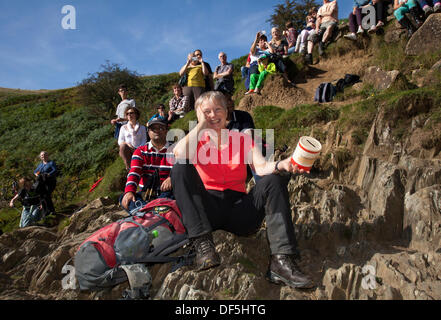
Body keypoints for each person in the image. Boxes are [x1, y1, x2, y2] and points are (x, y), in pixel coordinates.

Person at [171, 91, 314, 289]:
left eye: (217, 109)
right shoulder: (196, 140)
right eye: (206, 112)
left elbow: (262, 167)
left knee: (274, 180)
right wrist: (202, 126)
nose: (213, 115)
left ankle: (281, 261)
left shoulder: (242, 139)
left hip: (238, 210)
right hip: (207, 211)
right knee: (180, 167)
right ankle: (203, 245)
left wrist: (284, 164)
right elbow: (178, 153)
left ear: (227, 112)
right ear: (198, 115)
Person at [121, 118, 174, 213]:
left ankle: (144, 211)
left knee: (170, 196)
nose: (157, 131)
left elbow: (183, 170)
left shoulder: (176, 149)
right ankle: (154, 210)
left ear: (166, 131)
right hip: (146, 193)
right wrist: (129, 191)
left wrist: (172, 178)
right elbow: (134, 172)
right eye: (153, 129)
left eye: (161, 128)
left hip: (167, 192)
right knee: (124, 198)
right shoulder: (140, 151)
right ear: (148, 132)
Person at [34, 151, 57, 215]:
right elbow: (35, 171)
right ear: (40, 157)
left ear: (47, 155)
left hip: (50, 182)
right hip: (42, 183)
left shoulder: (51, 163)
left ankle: (52, 211)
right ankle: (46, 212)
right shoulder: (40, 164)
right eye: (42, 155)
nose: (43, 156)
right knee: (42, 196)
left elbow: (54, 170)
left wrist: (49, 174)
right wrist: (37, 174)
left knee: (47, 195)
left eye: (44, 155)